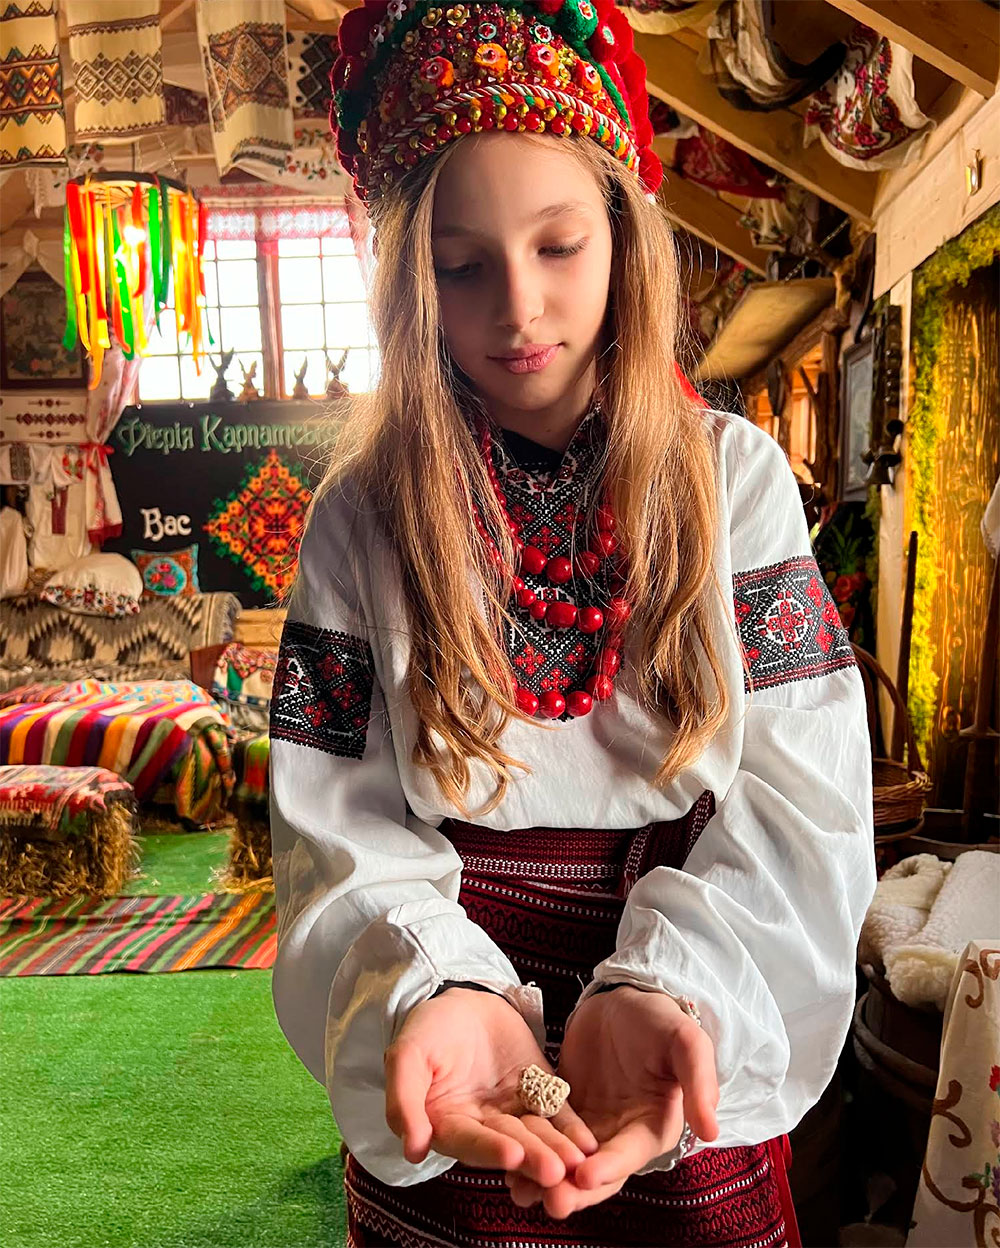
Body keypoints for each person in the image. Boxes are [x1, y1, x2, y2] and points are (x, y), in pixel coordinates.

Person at [269, 4, 875, 1245]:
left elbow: (801, 793)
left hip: (684, 999)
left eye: (557, 245)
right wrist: (435, 991)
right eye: (462, 265)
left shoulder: (731, 481)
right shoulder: (362, 515)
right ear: (407, 280)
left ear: (621, 232)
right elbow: (333, 820)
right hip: (455, 1030)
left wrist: (678, 988)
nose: (519, 306)